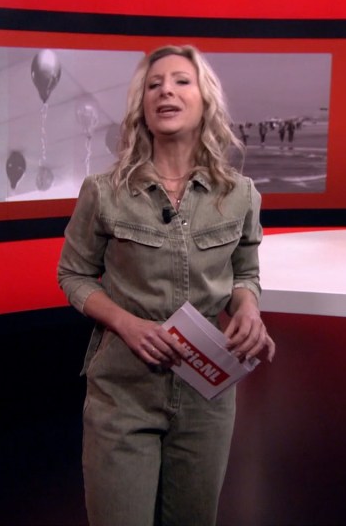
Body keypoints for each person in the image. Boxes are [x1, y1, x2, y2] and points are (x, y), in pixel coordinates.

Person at [57, 45, 275, 526]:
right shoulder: (104, 191)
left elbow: (246, 274)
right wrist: (126, 323)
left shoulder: (240, 194)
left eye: (180, 81)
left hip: (206, 396)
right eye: (153, 85)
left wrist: (248, 309)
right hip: (123, 394)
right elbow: (73, 274)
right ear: (142, 104)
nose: (165, 92)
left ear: (204, 99)